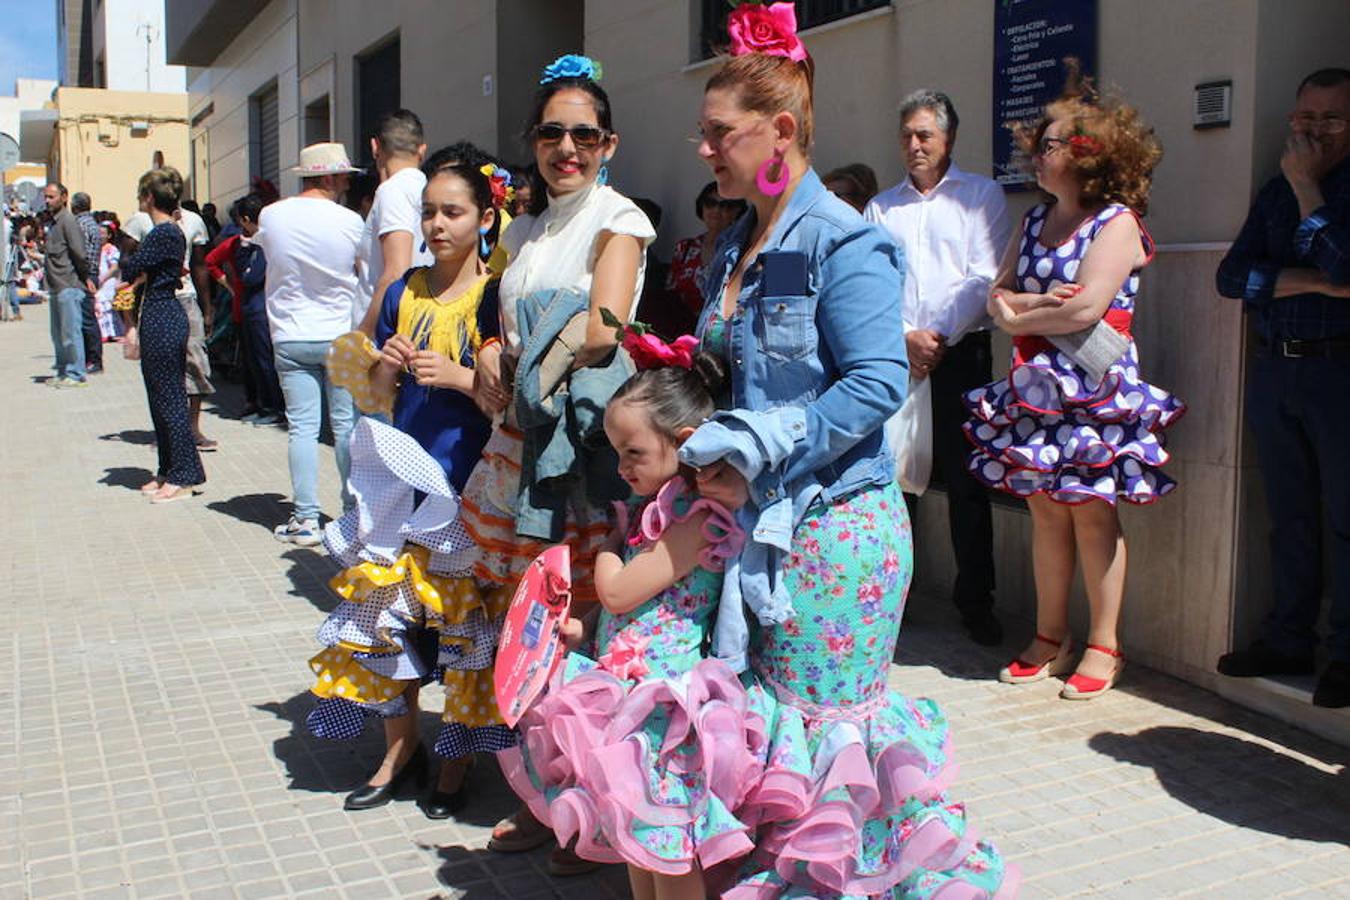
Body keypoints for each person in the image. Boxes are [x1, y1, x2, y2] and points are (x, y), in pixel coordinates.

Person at [680, 6, 1017, 896]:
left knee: (828, 765)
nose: (702, 147)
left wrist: (761, 447)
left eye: (719, 132)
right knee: (769, 752)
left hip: (832, 539)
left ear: (780, 132)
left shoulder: (844, 239)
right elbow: (736, 373)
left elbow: (873, 385)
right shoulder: (736, 244)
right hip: (756, 526)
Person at [470, 55, 655, 873]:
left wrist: (531, 377)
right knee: (529, 624)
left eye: (584, 133)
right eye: (552, 131)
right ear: (533, 143)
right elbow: (500, 317)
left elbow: (603, 328)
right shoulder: (521, 228)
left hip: (575, 458)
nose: (567, 147)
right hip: (517, 449)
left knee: (579, 627)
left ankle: (590, 810)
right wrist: (483, 350)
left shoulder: (618, 219)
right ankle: (544, 798)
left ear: (609, 142)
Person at [966, 68, 1183, 700]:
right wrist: (1030, 303)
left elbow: (1087, 311)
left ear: (1090, 156)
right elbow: (996, 297)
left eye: (1052, 144)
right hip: (1034, 388)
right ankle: (1049, 636)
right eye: (1041, 142)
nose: (1039, 154)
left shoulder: (1116, 223)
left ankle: (1105, 645)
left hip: (1092, 392)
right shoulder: (1033, 220)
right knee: (1046, 515)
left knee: (1091, 516)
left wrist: (1020, 311)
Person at [501, 346, 746, 900]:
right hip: (626, 694)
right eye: (616, 452)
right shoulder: (652, 510)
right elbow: (620, 609)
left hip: (663, 709)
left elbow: (618, 592)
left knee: (667, 843)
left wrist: (607, 549)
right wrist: (582, 630)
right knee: (631, 831)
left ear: (684, 443)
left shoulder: (697, 520)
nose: (621, 467)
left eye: (632, 451)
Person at [314, 148, 507, 815]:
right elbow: (371, 393)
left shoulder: (494, 297)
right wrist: (387, 366)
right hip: (398, 487)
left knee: (459, 629)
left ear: (485, 218)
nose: (438, 225)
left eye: (453, 212)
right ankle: (400, 748)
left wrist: (458, 377)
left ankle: (455, 757)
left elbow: (506, 401)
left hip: (465, 487)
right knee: (387, 619)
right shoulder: (402, 291)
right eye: (429, 212)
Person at [1215, 68, 1350, 709]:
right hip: (1275, 368)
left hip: (1338, 370)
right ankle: (1288, 638)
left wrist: (1306, 190)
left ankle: (1347, 654)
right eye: (1304, 119)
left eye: (1329, 120)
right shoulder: (1273, 193)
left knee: (1346, 518)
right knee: (1289, 514)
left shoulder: (1306, 187)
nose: (1312, 132)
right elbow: (1231, 277)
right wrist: (1318, 283)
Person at [865, 89, 1011, 647]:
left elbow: (984, 276)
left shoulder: (981, 195)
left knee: (968, 483)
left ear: (948, 137)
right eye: (906, 135)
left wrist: (938, 338)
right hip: (899, 356)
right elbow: (875, 281)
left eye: (924, 134)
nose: (914, 145)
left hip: (960, 357)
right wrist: (906, 338)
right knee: (897, 481)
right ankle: (894, 599)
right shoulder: (882, 207)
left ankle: (977, 601)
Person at [253, 142, 365, 545]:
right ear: (333, 176)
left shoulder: (271, 215)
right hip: (339, 333)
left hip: (290, 333)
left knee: (301, 428)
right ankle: (352, 517)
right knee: (344, 428)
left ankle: (304, 520)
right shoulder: (351, 222)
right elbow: (363, 271)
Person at [118, 168, 207, 503]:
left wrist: (134, 265)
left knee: (169, 399)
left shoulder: (164, 232)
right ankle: (169, 469)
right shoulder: (164, 231)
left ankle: (183, 474)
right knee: (160, 399)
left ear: (149, 197)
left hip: (164, 315)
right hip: (158, 314)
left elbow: (129, 265)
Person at [354, 109, 434, 335]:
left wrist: (361, 335)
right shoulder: (429, 188)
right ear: (422, 150)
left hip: (386, 335)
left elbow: (396, 272)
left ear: (375, 146)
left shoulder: (393, 192)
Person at [207, 195, 285, 425]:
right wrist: (229, 286)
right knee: (253, 362)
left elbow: (251, 276)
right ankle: (259, 404)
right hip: (247, 309)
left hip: (262, 309)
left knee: (265, 360)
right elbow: (212, 261)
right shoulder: (238, 243)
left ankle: (274, 407)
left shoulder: (267, 242)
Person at [665, 181, 745, 325]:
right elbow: (669, 293)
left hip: (713, 333)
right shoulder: (685, 247)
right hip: (676, 329)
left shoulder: (739, 253)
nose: (716, 210)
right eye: (710, 203)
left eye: (725, 205)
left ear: (736, 212)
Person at [41, 182, 92, 387]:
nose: (47, 201)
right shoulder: (53, 223)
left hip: (68, 285)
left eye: (51, 197)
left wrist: (84, 277)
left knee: (71, 333)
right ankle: (63, 371)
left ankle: (76, 373)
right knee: (58, 334)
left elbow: (79, 253)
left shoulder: (68, 221)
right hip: (55, 286)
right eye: (45, 197)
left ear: (63, 198)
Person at [72, 192, 105, 373]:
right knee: (86, 317)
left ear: (75, 206)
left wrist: (83, 276)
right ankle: (90, 358)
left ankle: (93, 359)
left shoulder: (80, 225)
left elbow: (80, 254)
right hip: (91, 273)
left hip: (84, 275)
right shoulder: (92, 223)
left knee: (86, 318)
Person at [94, 221, 124, 341]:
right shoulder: (97, 249)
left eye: (103, 233)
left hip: (108, 282)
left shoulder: (111, 249)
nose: (100, 236)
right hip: (100, 281)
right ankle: (104, 333)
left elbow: (115, 267)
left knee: (108, 308)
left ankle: (112, 332)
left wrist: (103, 278)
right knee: (99, 307)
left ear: (109, 235)